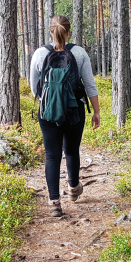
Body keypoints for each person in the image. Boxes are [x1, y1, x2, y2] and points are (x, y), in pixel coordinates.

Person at [30, 16, 100, 217]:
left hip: (48, 111)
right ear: (69, 31)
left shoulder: (40, 53)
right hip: (74, 110)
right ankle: (73, 188)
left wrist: (47, 99)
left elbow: (34, 85)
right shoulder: (78, 52)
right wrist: (96, 112)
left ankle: (54, 203)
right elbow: (90, 85)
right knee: (71, 150)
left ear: (50, 31)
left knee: (52, 155)